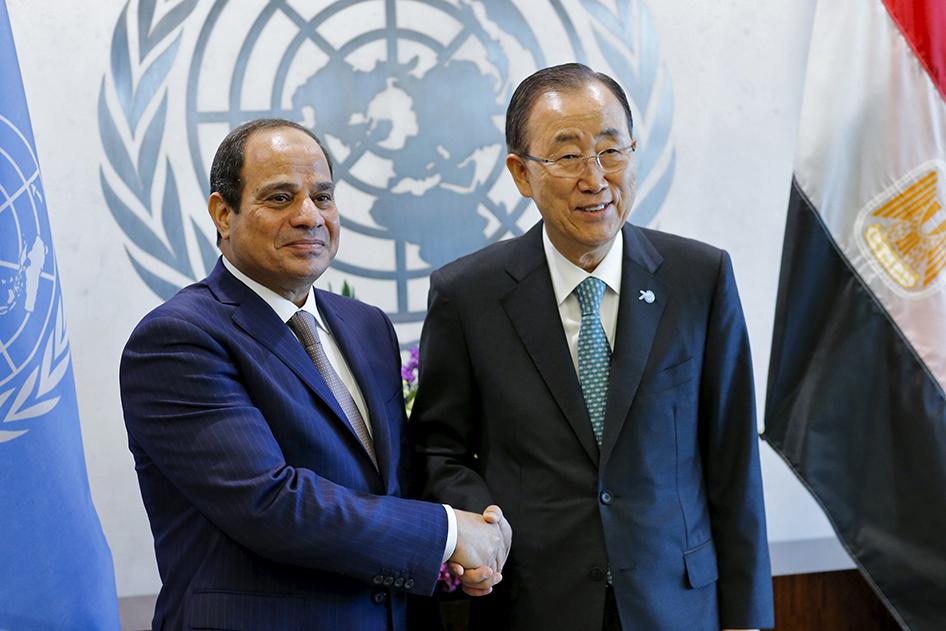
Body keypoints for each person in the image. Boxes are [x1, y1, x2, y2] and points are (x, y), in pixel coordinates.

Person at [410, 64, 774, 631]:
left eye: (611, 151)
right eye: (567, 156)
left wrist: (747, 618)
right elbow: (438, 449)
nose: (596, 178)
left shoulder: (699, 278)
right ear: (521, 173)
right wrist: (481, 524)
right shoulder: (468, 296)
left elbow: (734, 460)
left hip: (677, 603)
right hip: (532, 602)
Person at [120, 118, 510, 630]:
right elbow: (269, 504)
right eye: (280, 198)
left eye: (322, 196)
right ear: (223, 213)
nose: (309, 216)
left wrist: (464, 543)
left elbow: (393, 486)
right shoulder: (178, 339)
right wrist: (447, 533)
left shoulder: (367, 326)